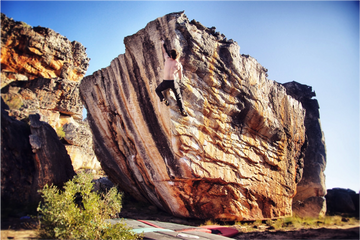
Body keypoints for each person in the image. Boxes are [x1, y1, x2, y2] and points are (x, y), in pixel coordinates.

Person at [155, 40, 188, 116]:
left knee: (157, 90)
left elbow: (164, 52)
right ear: (177, 56)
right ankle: (183, 111)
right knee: (178, 97)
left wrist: (163, 44)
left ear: (171, 55)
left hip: (165, 82)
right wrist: (177, 72)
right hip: (173, 82)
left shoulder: (167, 59)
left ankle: (163, 99)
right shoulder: (179, 65)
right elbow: (180, 77)